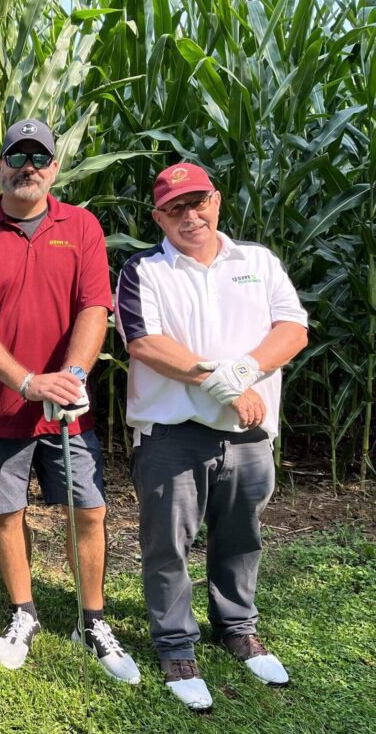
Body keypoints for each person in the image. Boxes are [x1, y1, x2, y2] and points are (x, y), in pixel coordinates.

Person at [0, 118, 140, 683]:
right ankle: (22, 612)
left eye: (39, 157)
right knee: (7, 513)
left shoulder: (80, 227)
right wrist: (28, 381)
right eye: (17, 156)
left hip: (66, 405)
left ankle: (91, 618)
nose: (28, 166)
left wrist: (72, 376)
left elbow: (93, 308)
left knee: (91, 509)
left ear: (54, 167)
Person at [115, 162, 308, 711]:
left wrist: (242, 375)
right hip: (173, 432)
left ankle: (238, 628)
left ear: (217, 202)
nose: (190, 216)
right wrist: (222, 383)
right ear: (159, 216)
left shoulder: (257, 262)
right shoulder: (145, 269)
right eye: (175, 208)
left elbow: (292, 329)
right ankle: (176, 645)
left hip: (249, 433)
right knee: (167, 545)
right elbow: (145, 343)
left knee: (241, 535)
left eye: (198, 202)